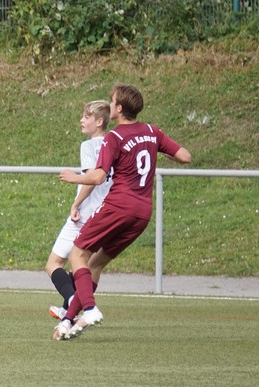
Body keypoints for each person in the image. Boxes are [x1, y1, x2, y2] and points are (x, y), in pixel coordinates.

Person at [53, 82, 191, 341]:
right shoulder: (152, 132)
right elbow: (185, 156)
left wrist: (73, 177)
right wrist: (157, 148)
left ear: (118, 108)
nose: (110, 103)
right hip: (142, 213)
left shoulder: (114, 137)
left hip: (119, 206)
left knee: (77, 254)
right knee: (95, 264)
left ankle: (90, 309)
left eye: (112, 101)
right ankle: (68, 320)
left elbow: (98, 177)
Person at [46, 100, 112, 319]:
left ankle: (73, 300)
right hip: (105, 214)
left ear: (99, 121)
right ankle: (68, 310)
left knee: (53, 264)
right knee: (84, 266)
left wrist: (75, 204)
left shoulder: (89, 146)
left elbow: (91, 179)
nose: (81, 121)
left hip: (84, 214)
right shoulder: (115, 144)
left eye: (86, 117)